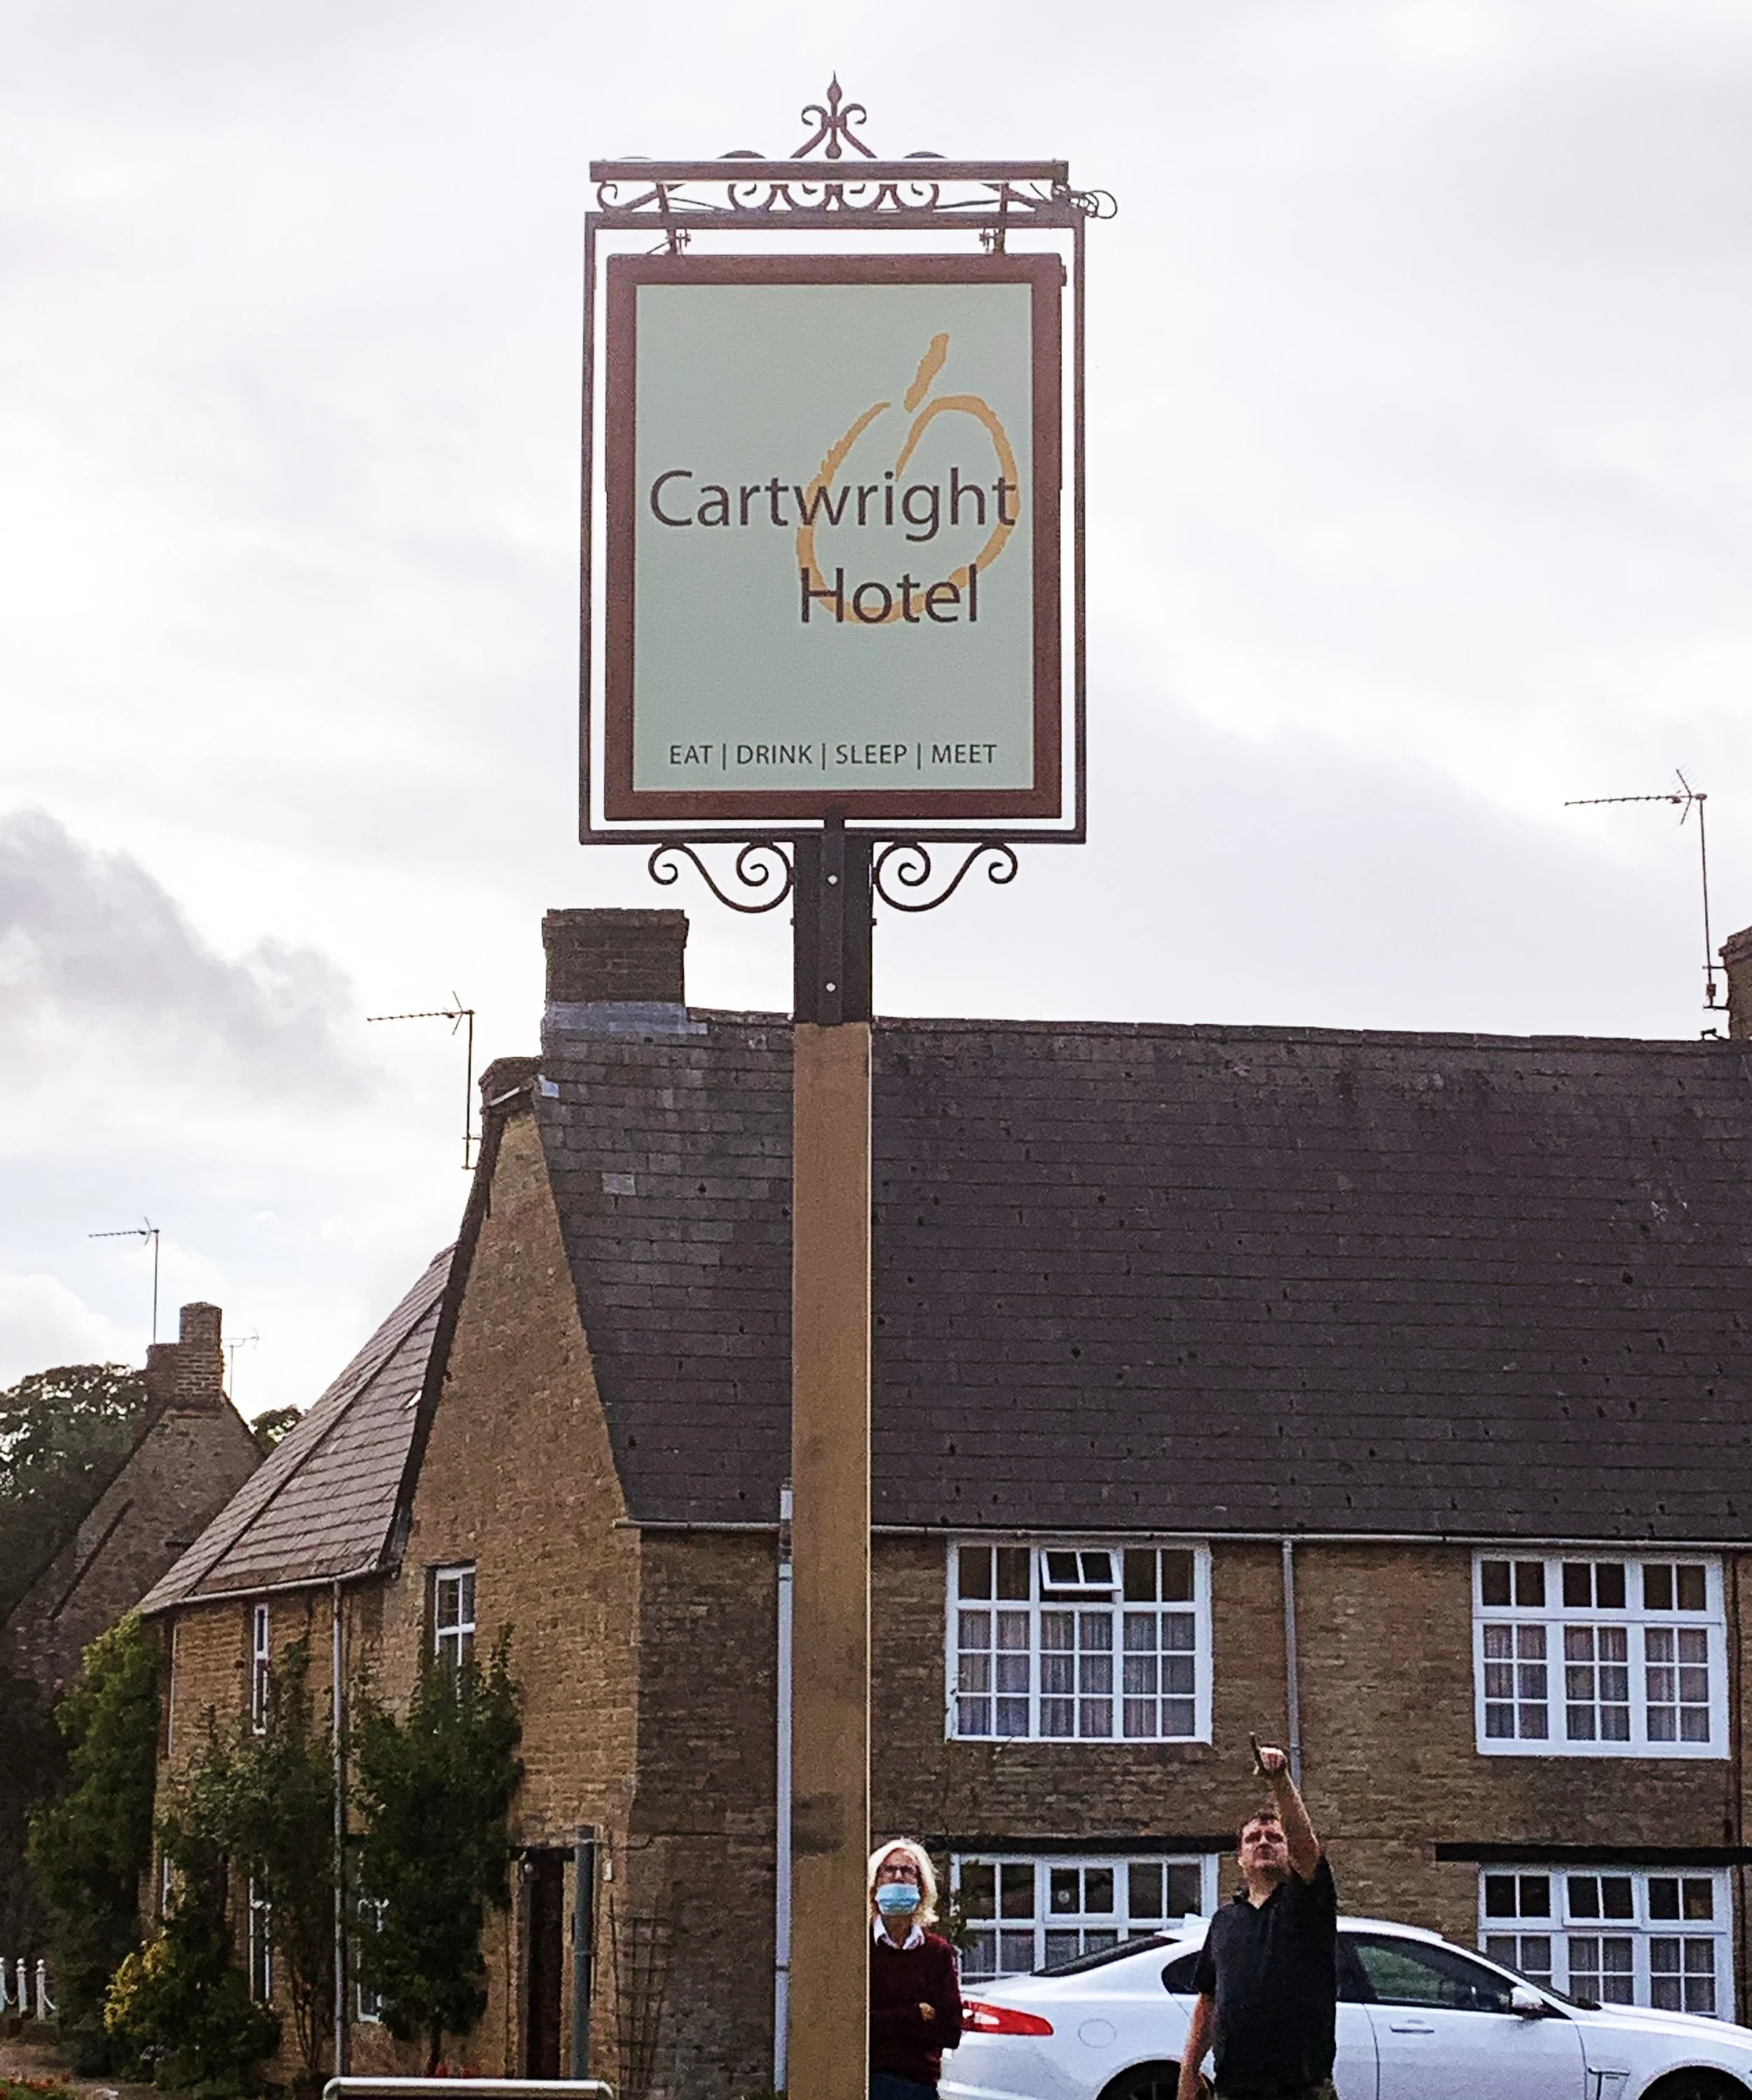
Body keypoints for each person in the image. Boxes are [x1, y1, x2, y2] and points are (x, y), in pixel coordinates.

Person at [1175, 1745, 1338, 2100]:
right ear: (1240, 1858)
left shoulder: (1308, 1903)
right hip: (1235, 2089)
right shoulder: (1224, 1921)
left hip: (1302, 2090)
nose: (1264, 1842)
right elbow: (1208, 2001)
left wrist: (1279, 1781)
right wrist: (1189, 2071)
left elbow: (1306, 1848)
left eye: (1274, 1838)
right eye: (1253, 1838)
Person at [868, 1838, 964, 2100]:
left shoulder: (937, 1953)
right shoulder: (861, 1949)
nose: (898, 1877)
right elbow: (858, 2024)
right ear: (875, 1883)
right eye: (889, 1870)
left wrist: (886, 2019)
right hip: (871, 2083)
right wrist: (916, 2014)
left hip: (920, 2085)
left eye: (908, 1871)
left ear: (921, 1888)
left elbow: (950, 2030)